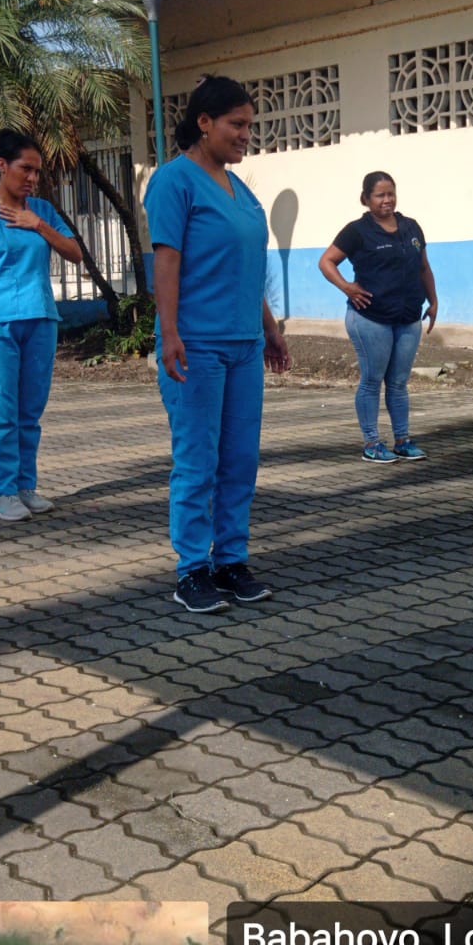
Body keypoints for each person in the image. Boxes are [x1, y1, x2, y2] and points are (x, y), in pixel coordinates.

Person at [143, 75, 291, 613]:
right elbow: (167, 262)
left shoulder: (240, 189)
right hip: (196, 345)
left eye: (250, 125)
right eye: (237, 124)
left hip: (245, 345)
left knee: (239, 460)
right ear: (204, 123)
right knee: (197, 460)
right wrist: (170, 333)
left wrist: (269, 328)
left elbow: (248, 267)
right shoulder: (173, 181)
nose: (246, 134)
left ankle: (231, 560)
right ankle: (192, 571)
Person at [0, 130, 83, 521]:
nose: (32, 178)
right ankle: (5, 493)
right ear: (2, 165)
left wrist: (37, 224)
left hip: (40, 320)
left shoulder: (42, 210)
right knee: (1, 409)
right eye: (26, 169)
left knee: (30, 410)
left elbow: (76, 253)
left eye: (37, 172)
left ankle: (27, 486)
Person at [318, 172, 438, 462]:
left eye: (391, 194)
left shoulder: (411, 227)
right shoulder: (357, 231)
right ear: (366, 199)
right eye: (380, 195)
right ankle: (372, 443)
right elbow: (326, 261)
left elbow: (423, 267)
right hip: (371, 318)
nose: (387, 200)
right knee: (372, 380)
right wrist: (347, 287)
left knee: (398, 383)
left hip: (408, 317)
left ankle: (402, 440)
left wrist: (433, 300)